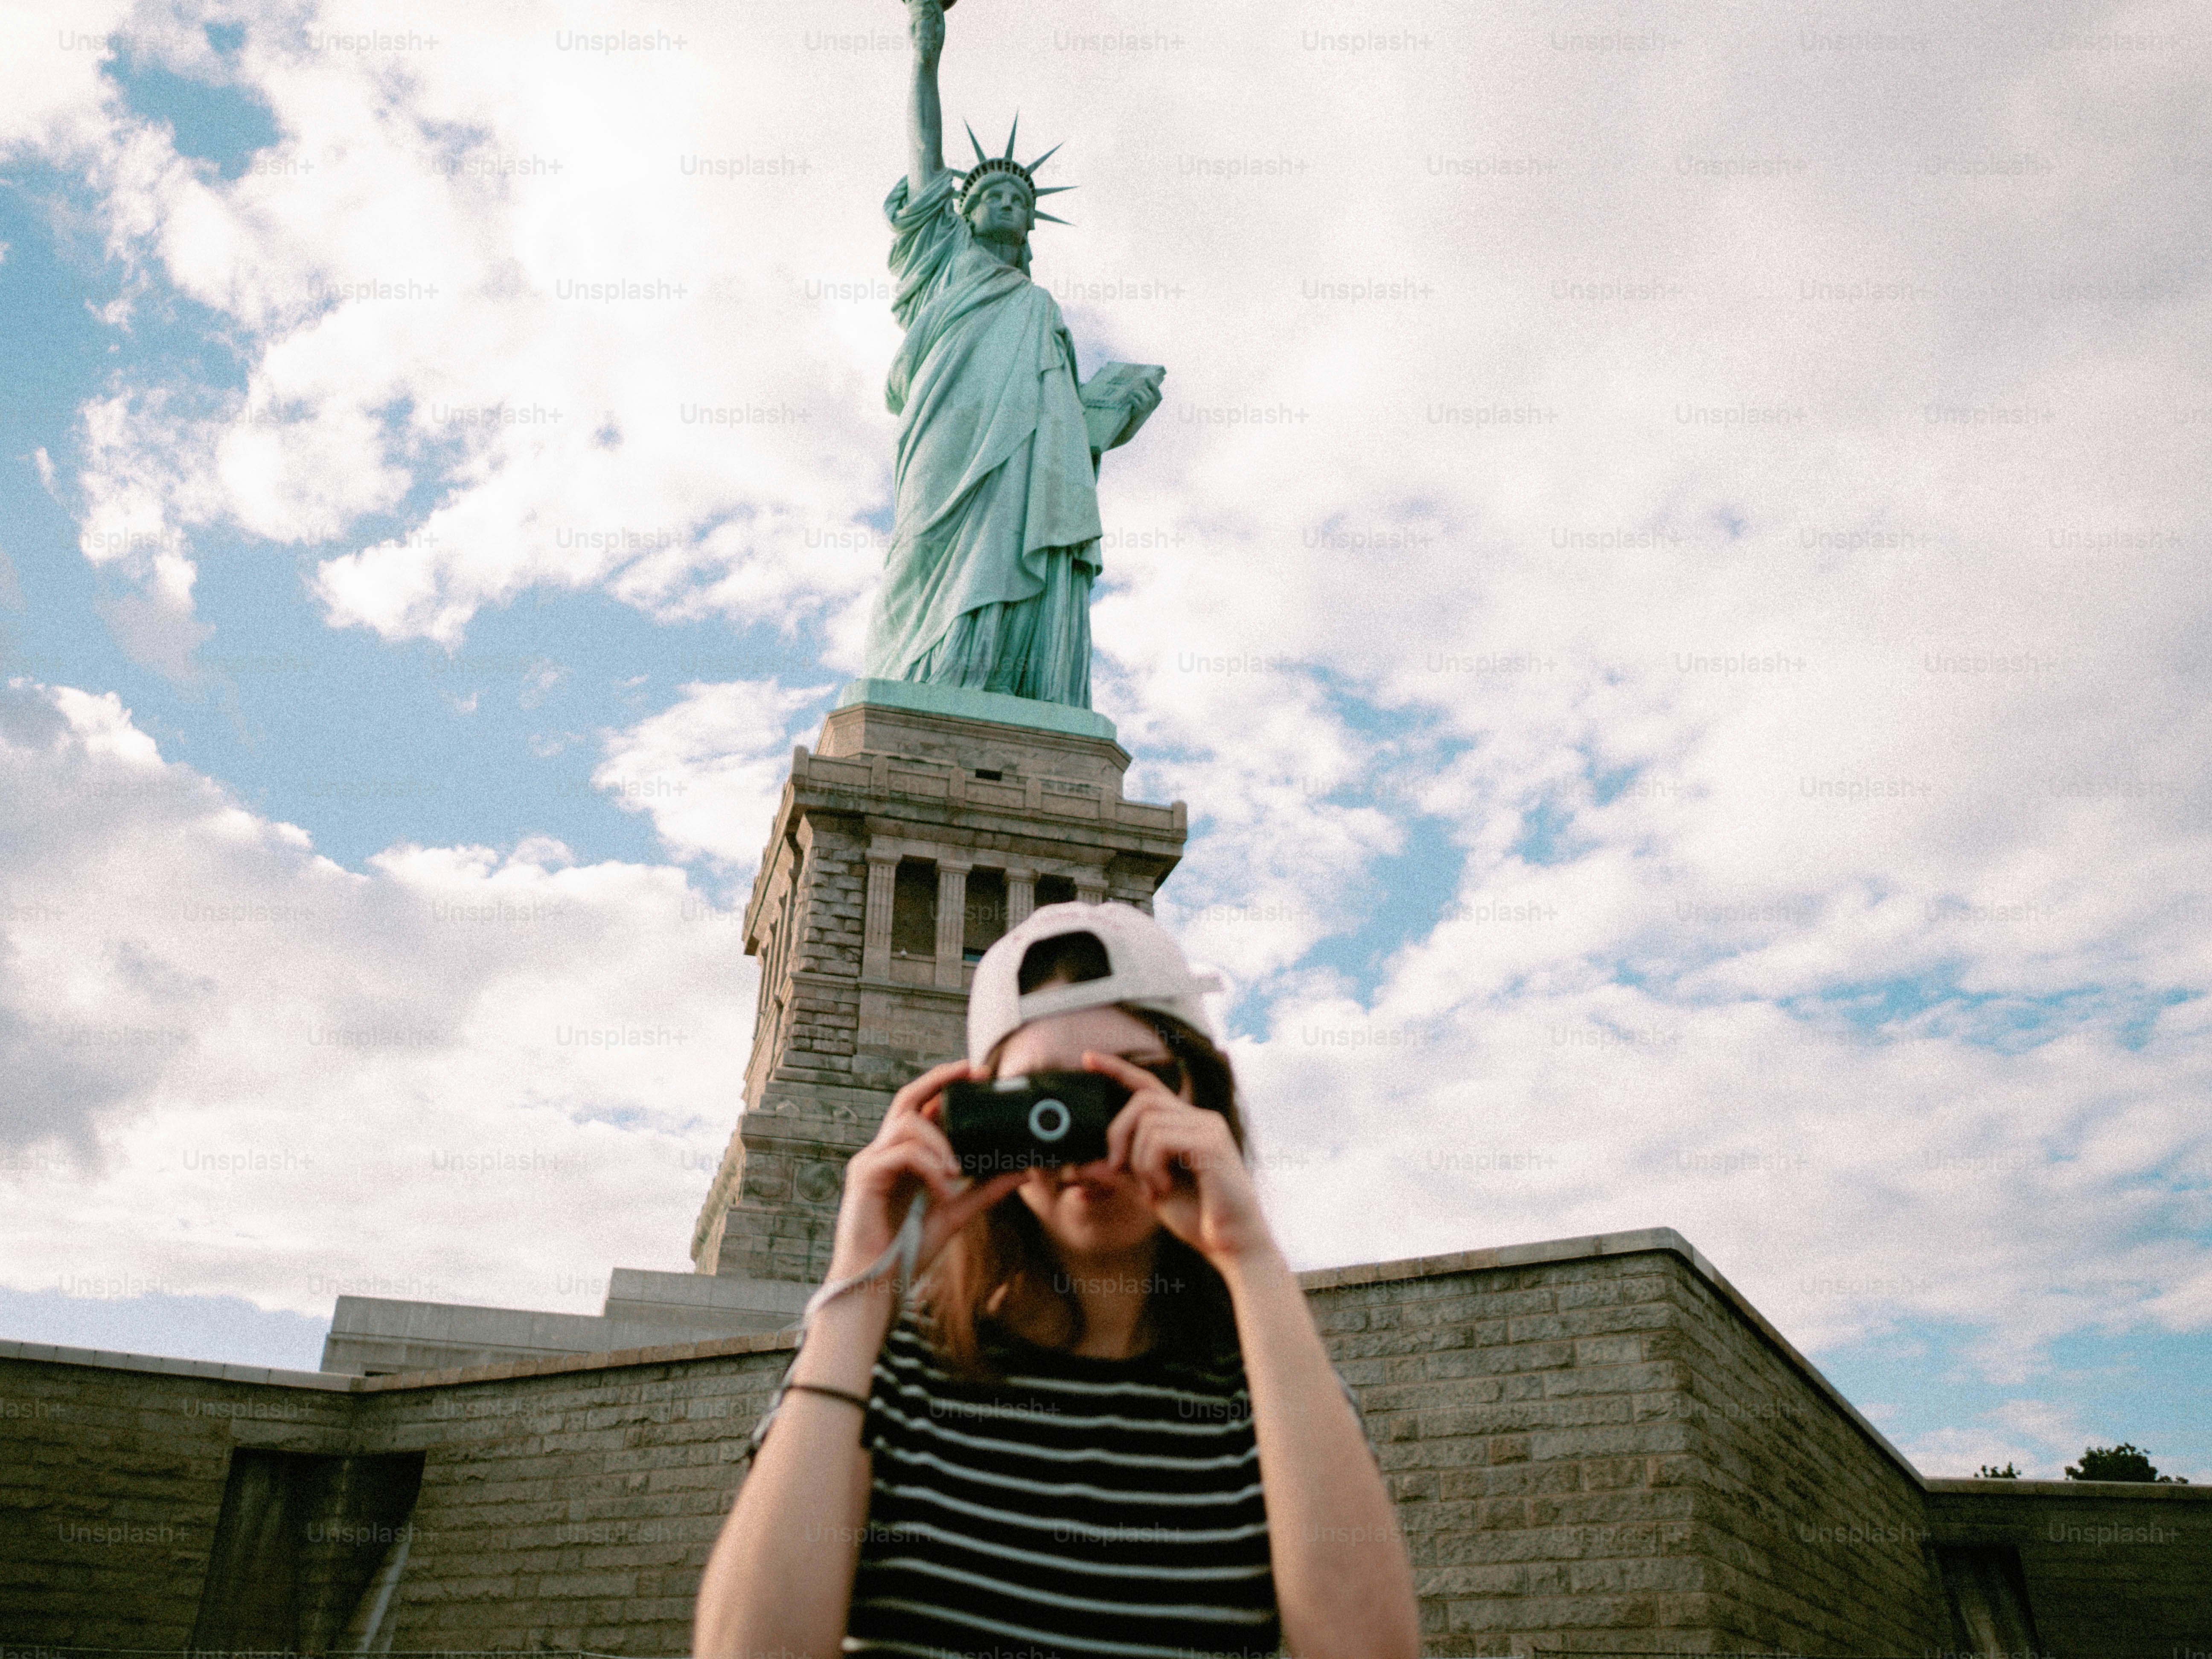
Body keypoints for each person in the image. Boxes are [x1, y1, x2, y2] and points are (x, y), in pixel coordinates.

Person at [695, 902, 1420, 1659]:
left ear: (1199, 1101)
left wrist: (1253, 1260)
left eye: (1127, 1087)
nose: (1087, 1140)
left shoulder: (1268, 1393)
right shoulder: (888, 1370)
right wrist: (859, 1287)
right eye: (1044, 1102)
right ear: (976, 1118)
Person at [858, 0, 1164, 709]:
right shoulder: (943, 262)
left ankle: (1005, 684)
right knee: (921, 549)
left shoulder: (1040, 310)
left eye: (1017, 199)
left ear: (1031, 225)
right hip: (948, 433)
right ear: (961, 215)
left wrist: (1118, 415)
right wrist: (924, 54)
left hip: (1025, 465)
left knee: (1015, 544)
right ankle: (917, 682)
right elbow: (925, 156)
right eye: (990, 194)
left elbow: (1066, 430)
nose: (1005, 203)